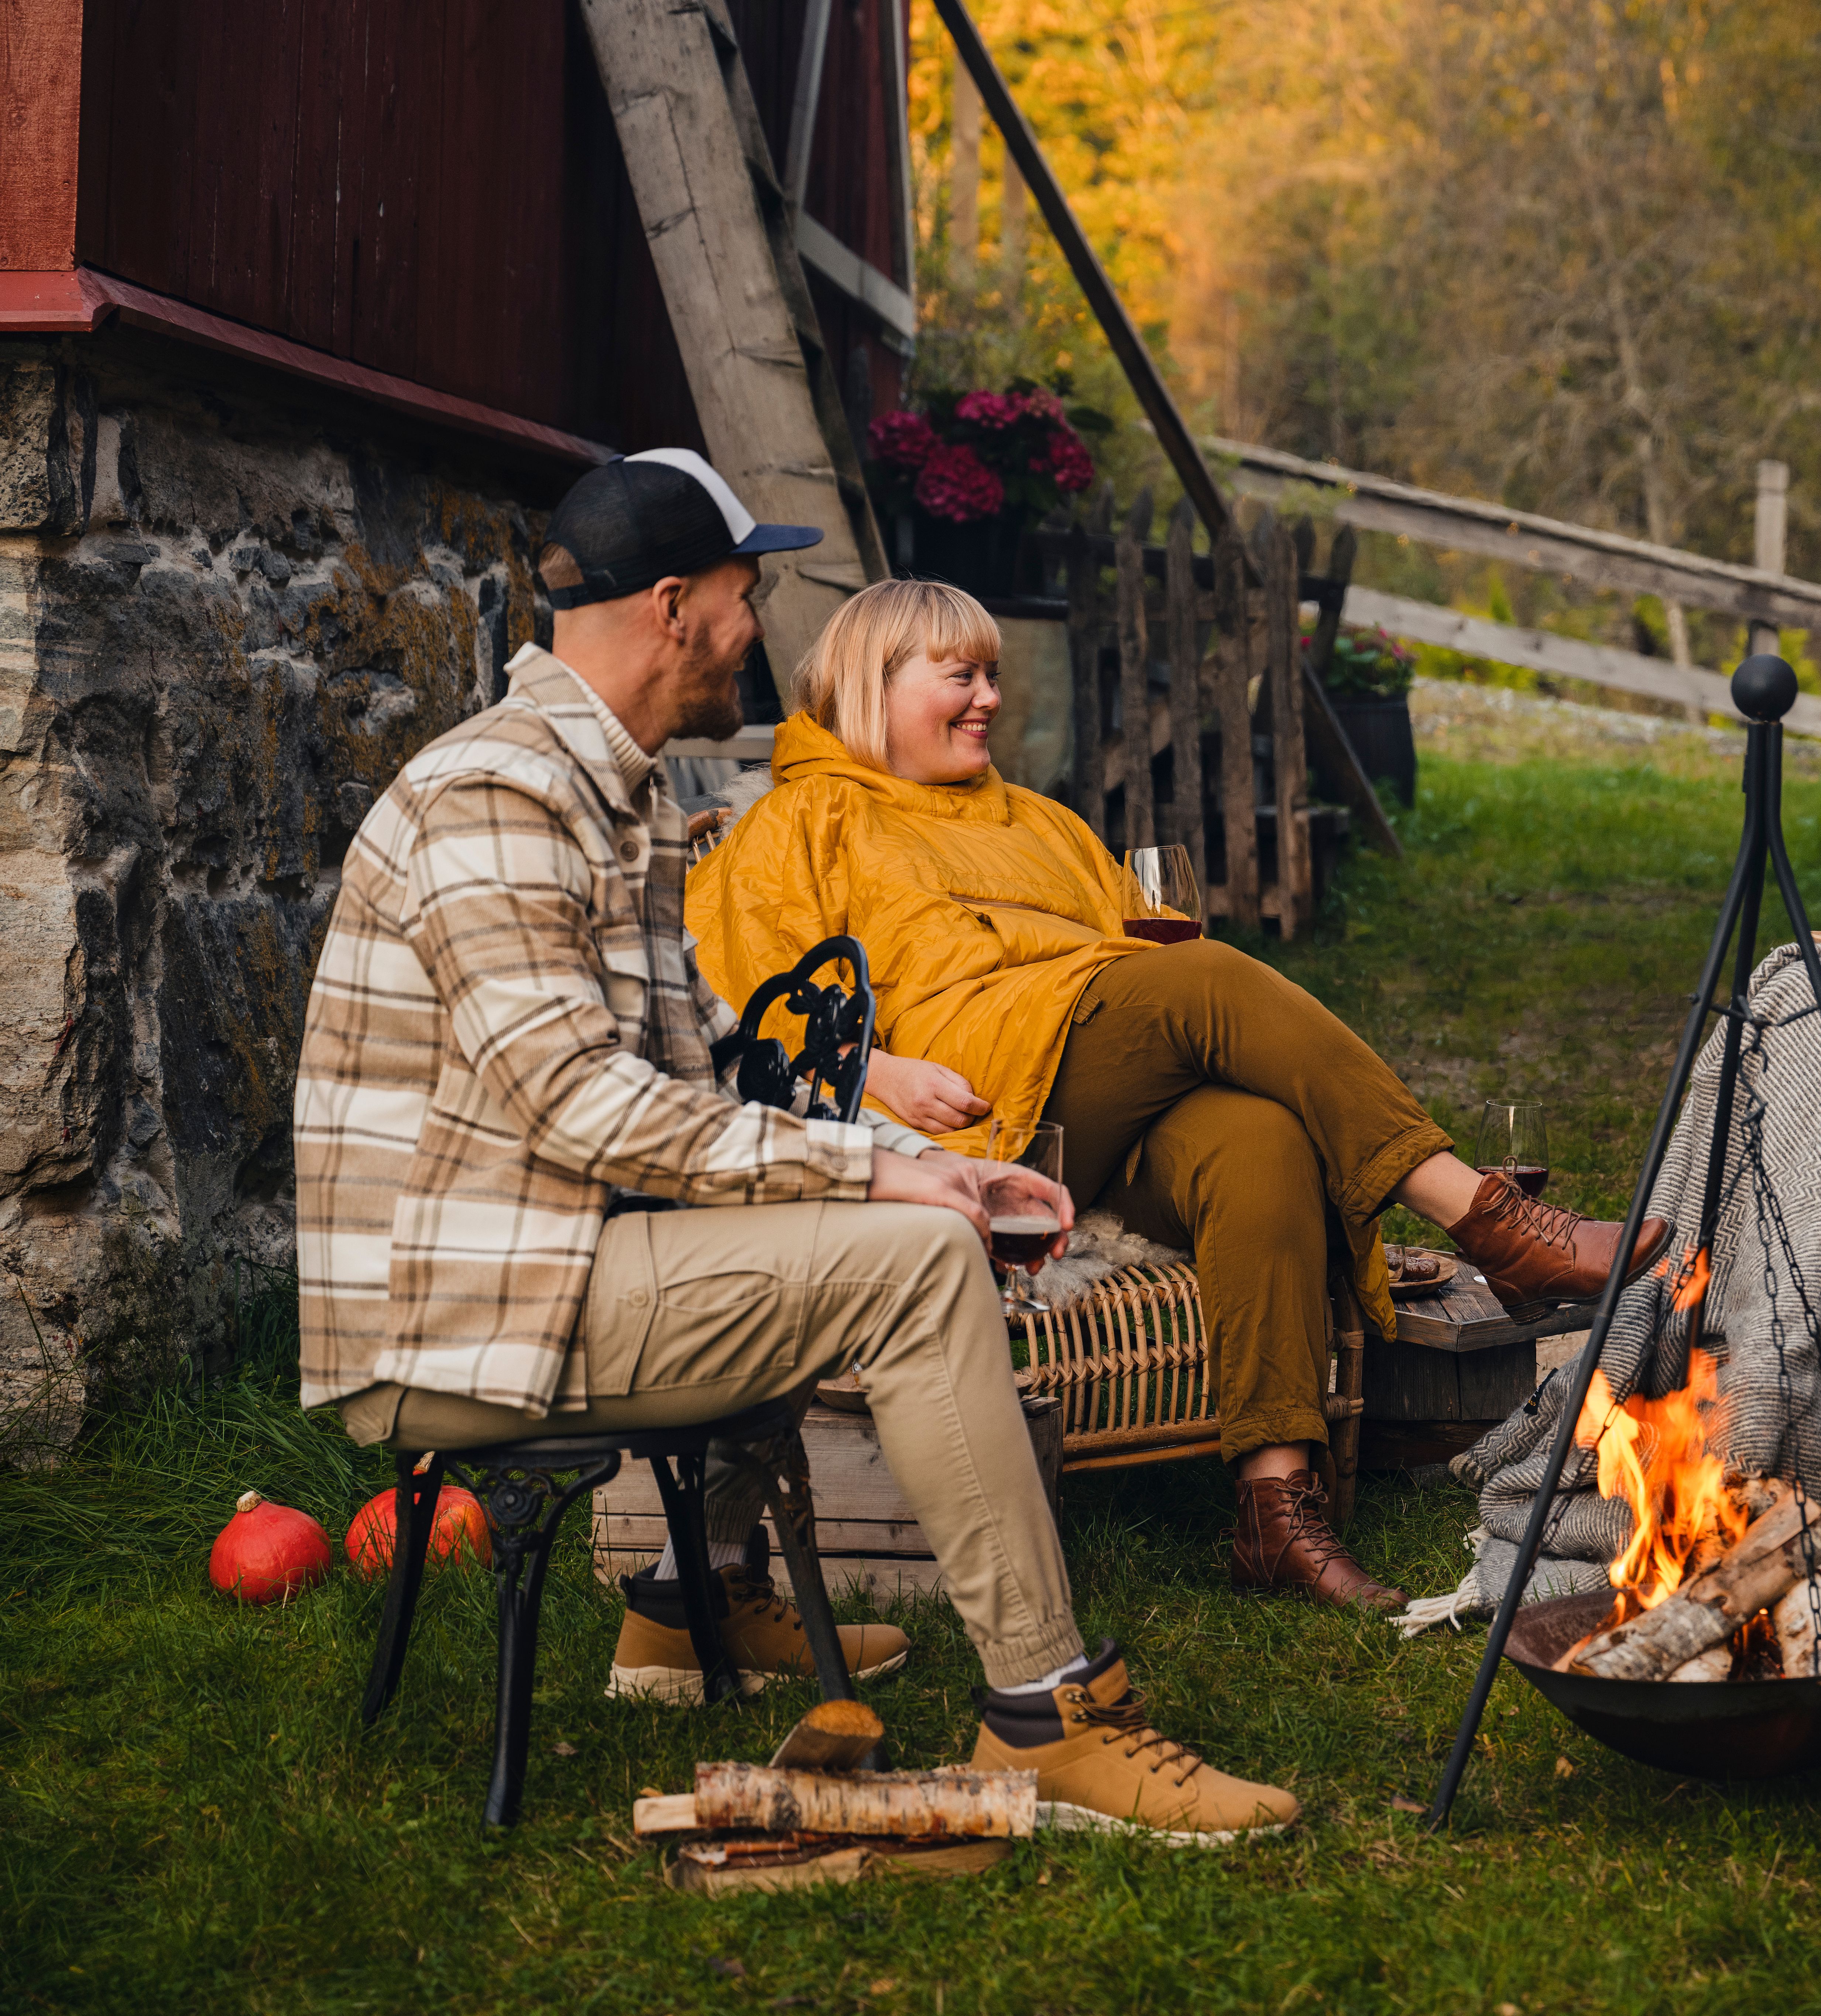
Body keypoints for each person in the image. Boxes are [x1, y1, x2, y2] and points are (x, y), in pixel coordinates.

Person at [296, 451, 1296, 1840]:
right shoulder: (499, 799)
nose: (760, 626)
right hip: (468, 1317)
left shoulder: (617, 796)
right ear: (671, 607)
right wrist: (888, 1182)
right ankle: (1048, 1715)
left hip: (569, 1263)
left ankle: (672, 1613)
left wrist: (929, 1159)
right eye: (744, 592)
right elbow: (580, 1104)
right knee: (908, 1267)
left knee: (896, 1225)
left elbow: (724, 1067)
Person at [686, 578, 1669, 1613]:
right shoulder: (801, 820)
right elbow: (737, 1011)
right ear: (870, 686)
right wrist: (875, 1067)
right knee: (1201, 975)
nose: (985, 698)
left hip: (1095, 1083)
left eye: (992, 676)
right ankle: (1489, 1220)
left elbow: (1131, 954)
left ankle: (1272, 1506)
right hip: (972, 1112)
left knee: (1260, 1136)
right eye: (957, 676)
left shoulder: (1038, 820)